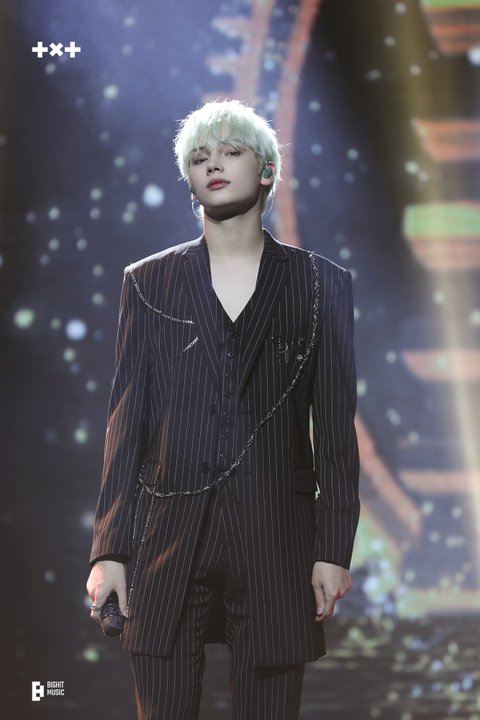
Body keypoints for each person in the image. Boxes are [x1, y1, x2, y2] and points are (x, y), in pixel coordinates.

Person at [86, 98, 360, 720]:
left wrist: (333, 547)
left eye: (230, 152)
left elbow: (335, 430)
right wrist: (109, 550)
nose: (212, 165)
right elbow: (126, 424)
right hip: (166, 537)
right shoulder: (149, 282)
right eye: (199, 157)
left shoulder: (322, 285)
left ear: (266, 171)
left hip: (276, 538)